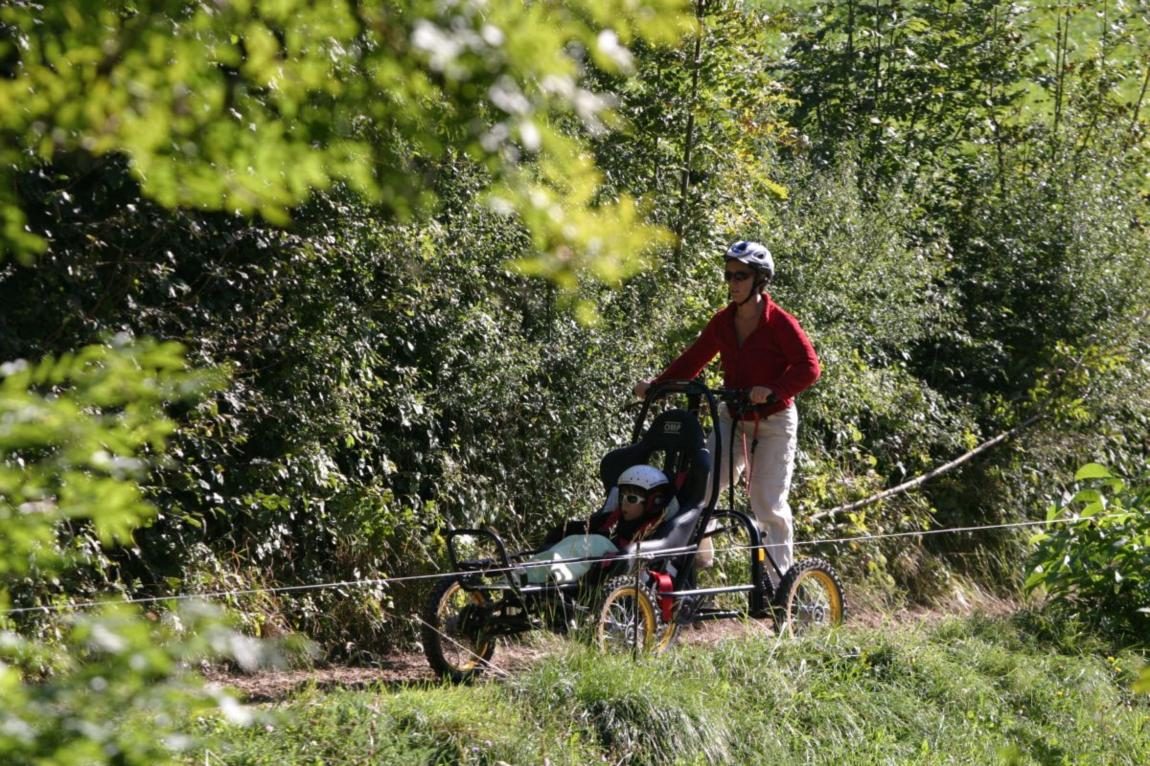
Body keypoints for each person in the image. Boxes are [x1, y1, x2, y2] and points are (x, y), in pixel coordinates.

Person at [633, 240, 820, 579]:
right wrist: (656, 387)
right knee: (699, 487)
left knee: (766, 503)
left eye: (741, 276)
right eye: (729, 275)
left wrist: (774, 390)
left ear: (759, 280)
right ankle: (694, 562)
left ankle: (781, 586)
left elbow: (809, 367)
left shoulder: (780, 322)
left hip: (774, 422)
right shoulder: (723, 322)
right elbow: (693, 359)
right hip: (732, 417)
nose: (733, 283)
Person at [522, 464, 673, 584]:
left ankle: (535, 575)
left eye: (631, 499)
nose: (623, 504)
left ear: (653, 502)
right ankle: (525, 573)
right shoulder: (612, 519)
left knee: (596, 542)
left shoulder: (658, 529)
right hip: (601, 568)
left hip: (627, 570)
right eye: (621, 497)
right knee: (572, 538)